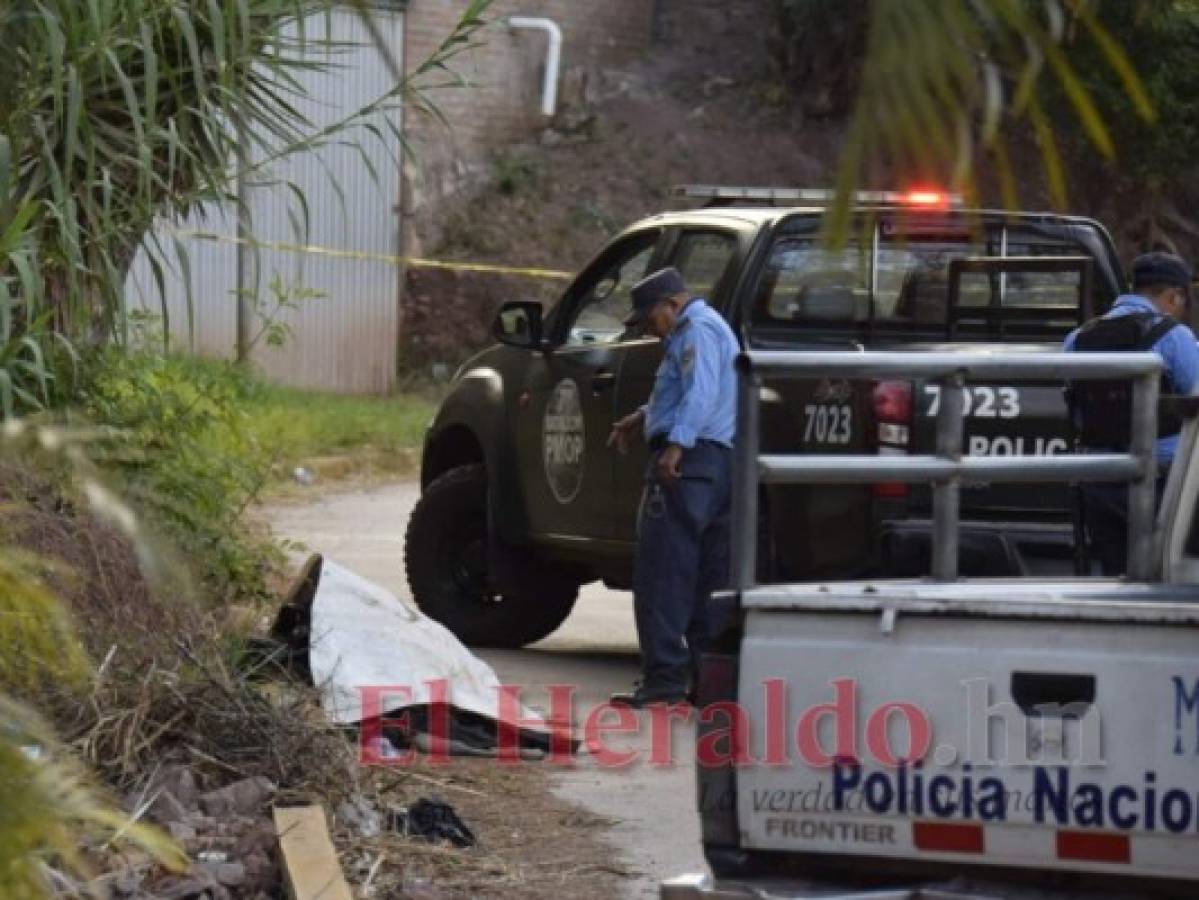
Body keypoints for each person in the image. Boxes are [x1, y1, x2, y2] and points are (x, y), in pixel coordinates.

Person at [607, 267, 739, 707]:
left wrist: (675, 447)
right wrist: (641, 417)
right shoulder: (704, 328)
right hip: (717, 462)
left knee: (662, 573)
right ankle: (707, 682)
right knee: (706, 577)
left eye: (650, 316)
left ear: (672, 304)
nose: (648, 327)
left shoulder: (696, 331)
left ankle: (663, 680)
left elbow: (699, 396)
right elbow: (687, 392)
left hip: (691, 460)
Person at [1065, 251, 1199, 575]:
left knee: (1116, 573)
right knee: (1165, 576)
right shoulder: (1174, 337)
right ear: (1173, 295)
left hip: (1098, 481)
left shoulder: (1078, 338)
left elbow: (1075, 404)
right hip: (1162, 484)